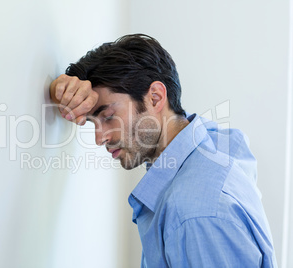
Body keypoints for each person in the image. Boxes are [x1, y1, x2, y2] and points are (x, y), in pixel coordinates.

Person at [49, 34, 277, 267]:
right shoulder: (213, 149)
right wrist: (60, 88)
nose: (99, 138)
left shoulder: (192, 214)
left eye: (108, 116)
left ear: (155, 98)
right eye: (92, 122)